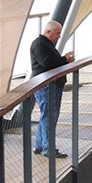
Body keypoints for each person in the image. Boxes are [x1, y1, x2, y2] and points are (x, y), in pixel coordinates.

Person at [30, 21, 74, 157]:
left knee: (46, 116)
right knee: (50, 117)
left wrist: (63, 59)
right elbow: (48, 64)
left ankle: (39, 145)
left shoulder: (44, 44)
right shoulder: (40, 44)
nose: (59, 37)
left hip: (50, 85)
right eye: (57, 34)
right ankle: (48, 148)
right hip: (46, 86)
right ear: (49, 32)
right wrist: (65, 59)